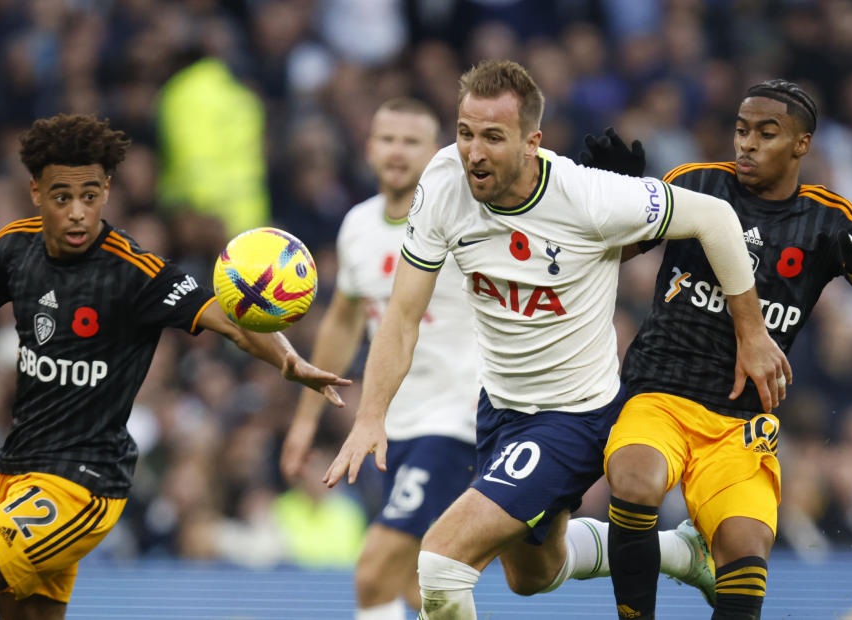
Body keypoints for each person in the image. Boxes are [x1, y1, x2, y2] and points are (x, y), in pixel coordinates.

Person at [323, 59, 789, 619]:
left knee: (441, 561)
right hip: (498, 408)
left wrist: (752, 331)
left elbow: (714, 217)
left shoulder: (589, 197)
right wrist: (372, 415)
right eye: (466, 133)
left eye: (494, 137)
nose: (474, 152)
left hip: (573, 417)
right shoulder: (444, 182)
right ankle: (681, 552)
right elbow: (401, 316)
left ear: (531, 142)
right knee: (531, 576)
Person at [0, 114, 350, 620]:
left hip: (82, 484)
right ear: (35, 191)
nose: (77, 213)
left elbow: (223, 318)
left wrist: (287, 358)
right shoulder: (12, 248)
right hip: (15, 473)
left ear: (107, 191)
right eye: (61, 197)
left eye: (90, 196)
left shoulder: (133, 271)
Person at [585, 80, 852, 620]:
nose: (747, 143)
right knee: (635, 480)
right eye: (741, 129)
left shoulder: (829, 217)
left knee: (747, 548)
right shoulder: (696, 183)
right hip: (659, 394)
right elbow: (614, 251)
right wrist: (610, 193)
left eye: (766, 133)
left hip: (741, 421)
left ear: (801, 144)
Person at [279, 98, 479, 619]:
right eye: (387, 139)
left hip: (457, 421)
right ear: (368, 147)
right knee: (423, 589)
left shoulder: (465, 217)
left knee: (374, 572)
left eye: (412, 141)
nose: (397, 151)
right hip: (391, 425)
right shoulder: (358, 226)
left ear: (436, 153)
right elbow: (345, 321)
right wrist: (305, 421)